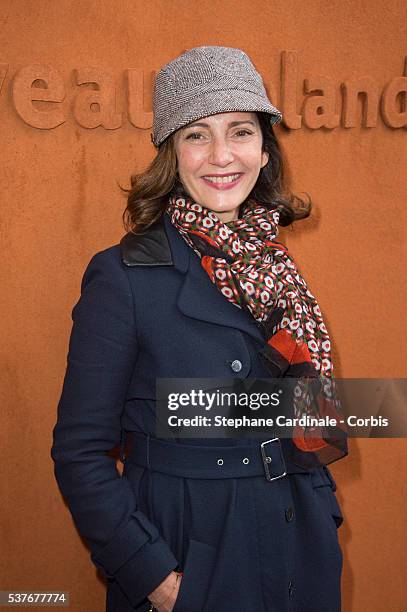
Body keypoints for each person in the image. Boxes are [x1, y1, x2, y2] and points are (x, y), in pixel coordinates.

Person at [51, 46, 346, 612]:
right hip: (197, 558)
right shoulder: (123, 277)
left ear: (264, 151)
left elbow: (314, 414)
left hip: (297, 547)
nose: (220, 156)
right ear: (172, 153)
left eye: (239, 131)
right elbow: (79, 452)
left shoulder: (275, 270)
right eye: (196, 135)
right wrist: (158, 581)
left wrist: (324, 512)